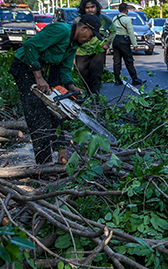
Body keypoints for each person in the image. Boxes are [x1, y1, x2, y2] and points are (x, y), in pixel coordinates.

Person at [9, 14, 102, 165]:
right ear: (84, 28)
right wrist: (38, 77)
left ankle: (61, 149)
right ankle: (43, 162)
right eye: (90, 36)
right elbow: (30, 46)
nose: (89, 40)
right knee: (38, 114)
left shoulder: (73, 44)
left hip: (47, 69)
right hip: (26, 67)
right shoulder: (61, 30)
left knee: (58, 111)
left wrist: (71, 87)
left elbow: (65, 68)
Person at [74, 0, 113, 96]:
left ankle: (95, 99)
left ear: (97, 7)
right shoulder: (79, 20)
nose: (90, 9)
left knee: (96, 75)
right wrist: (72, 55)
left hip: (98, 51)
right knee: (84, 76)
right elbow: (73, 36)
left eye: (92, 7)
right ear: (84, 9)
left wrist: (107, 43)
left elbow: (114, 30)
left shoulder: (104, 19)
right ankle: (89, 95)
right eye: (87, 8)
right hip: (81, 52)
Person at [107, 3, 145, 86]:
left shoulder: (115, 18)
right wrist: (135, 45)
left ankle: (117, 79)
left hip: (115, 40)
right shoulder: (127, 20)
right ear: (127, 10)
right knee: (128, 60)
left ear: (119, 10)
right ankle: (134, 78)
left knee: (116, 60)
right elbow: (131, 32)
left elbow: (111, 30)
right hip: (124, 40)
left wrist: (109, 43)